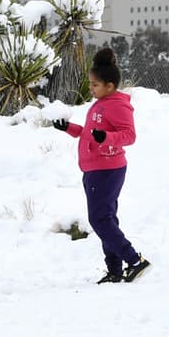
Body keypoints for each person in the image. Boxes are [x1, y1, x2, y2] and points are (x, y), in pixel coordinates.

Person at [52, 47, 152, 284]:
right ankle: (115, 271)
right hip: (93, 170)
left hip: (108, 169)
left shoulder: (118, 105)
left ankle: (135, 261)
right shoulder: (100, 103)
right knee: (106, 219)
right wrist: (68, 128)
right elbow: (90, 133)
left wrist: (105, 138)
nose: (91, 88)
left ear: (109, 85)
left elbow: (129, 135)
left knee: (100, 220)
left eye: (95, 85)